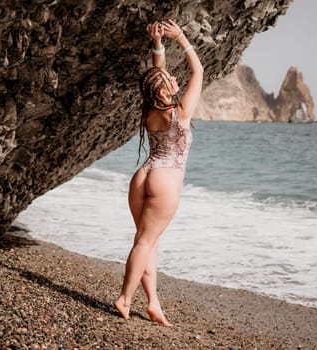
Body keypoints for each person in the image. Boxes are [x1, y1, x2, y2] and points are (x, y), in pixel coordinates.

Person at [114, 19, 203, 326]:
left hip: (143, 174)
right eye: (168, 78)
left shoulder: (151, 108)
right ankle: (125, 298)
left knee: (147, 240)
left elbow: (156, 76)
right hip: (165, 178)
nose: (173, 78)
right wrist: (180, 38)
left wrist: (158, 46)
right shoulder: (180, 112)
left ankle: (153, 303)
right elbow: (198, 71)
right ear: (164, 88)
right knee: (145, 241)